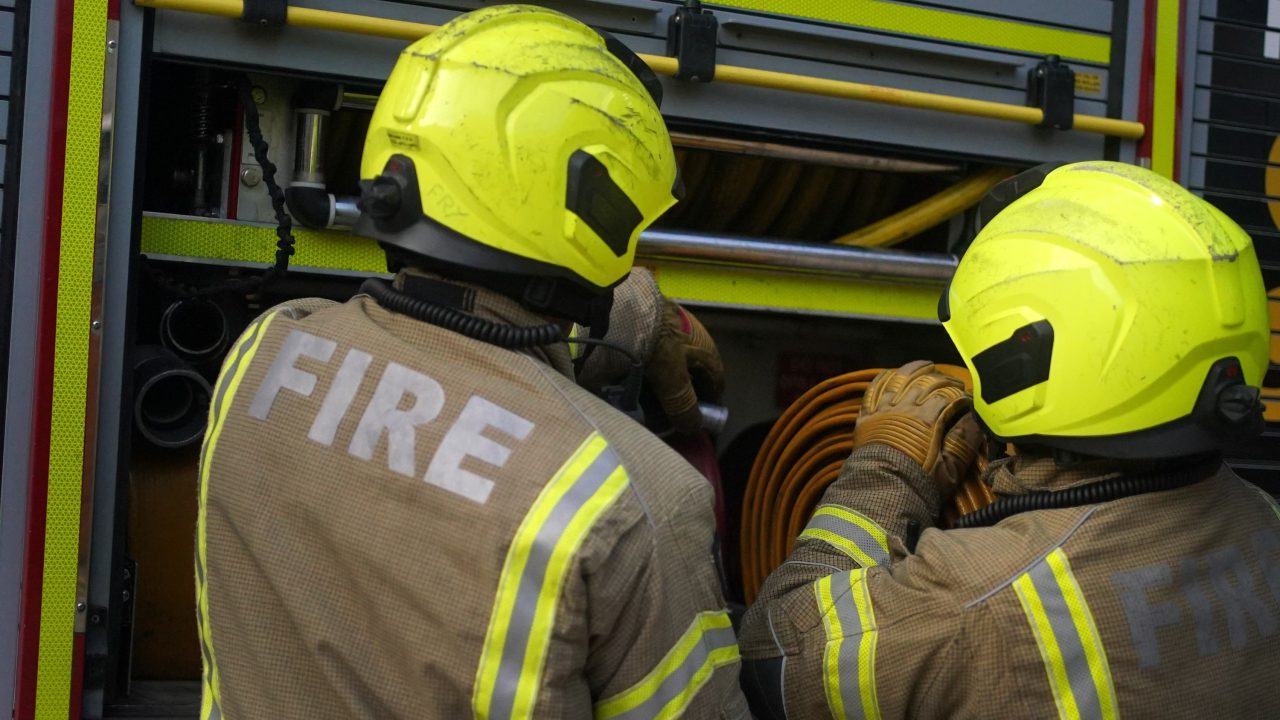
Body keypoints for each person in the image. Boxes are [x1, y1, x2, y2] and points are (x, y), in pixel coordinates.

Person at [194, 6, 747, 718]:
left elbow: (451, 361)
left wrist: (624, 318)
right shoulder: (641, 503)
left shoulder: (264, 355)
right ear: (588, 206)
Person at [738, 161, 1280, 719]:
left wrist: (887, 466)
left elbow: (772, 659)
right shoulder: (1265, 518)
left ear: (1028, 358)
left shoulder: (968, 603)